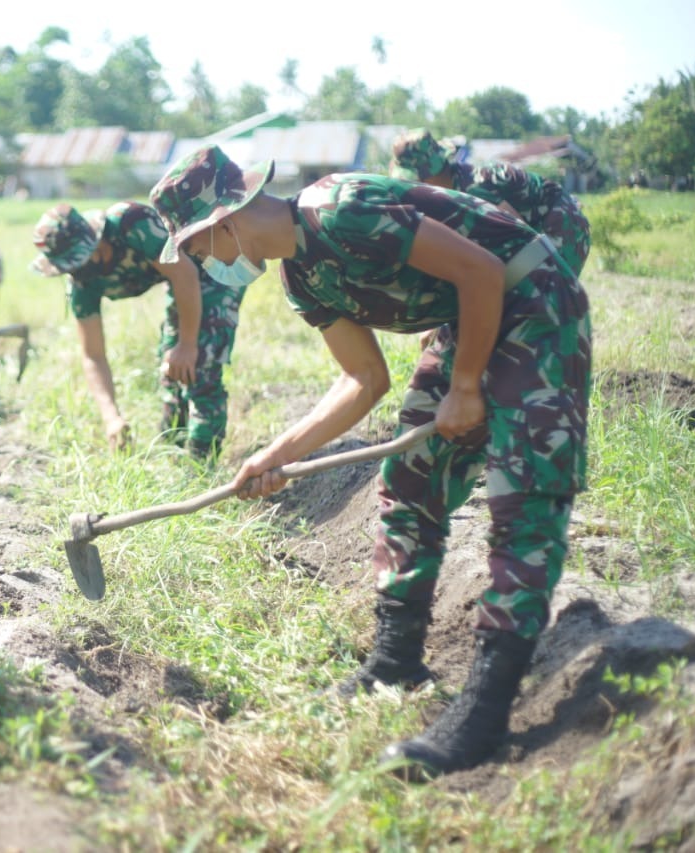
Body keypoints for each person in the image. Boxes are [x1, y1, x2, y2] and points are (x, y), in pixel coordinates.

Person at [150, 145, 591, 780]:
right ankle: (396, 661)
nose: (197, 262)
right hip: (469, 320)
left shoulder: (343, 210)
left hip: (534, 299)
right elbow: (362, 379)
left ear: (225, 221)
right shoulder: (301, 276)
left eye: (194, 247)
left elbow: (482, 272)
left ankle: (484, 711)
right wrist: (274, 457)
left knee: (523, 495)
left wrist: (467, 385)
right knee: (411, 479)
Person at [31, 201, 249, 459]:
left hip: (213, 262)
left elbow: (185, 274)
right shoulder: (83, 281)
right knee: (171, 369)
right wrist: (112, 417)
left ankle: (202, 465)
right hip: (182, 280)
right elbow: (93, 355)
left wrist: (188, 345)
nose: (75, 271)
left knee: (198, 363)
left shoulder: (130, 223)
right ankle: (174, 455)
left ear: (96, 243)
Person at [390, 128, 591, 277]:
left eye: (414, 178)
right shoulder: (451, 186)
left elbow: (522, 238)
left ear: (429, 172)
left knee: (541, 294)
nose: (412, 185)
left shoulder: (475, 189)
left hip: (563, 225)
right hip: (541, 228)